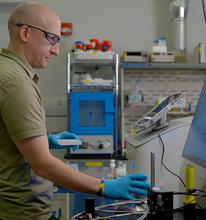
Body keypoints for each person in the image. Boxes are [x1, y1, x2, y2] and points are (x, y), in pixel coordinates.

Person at [0, 2, 150, 220]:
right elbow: (42, 164)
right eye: (52, 39)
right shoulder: (16, 83)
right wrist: (103, 186)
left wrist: (45, 140)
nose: (56, 50)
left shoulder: (6, 69)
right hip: (20, 214)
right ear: (25, 33)